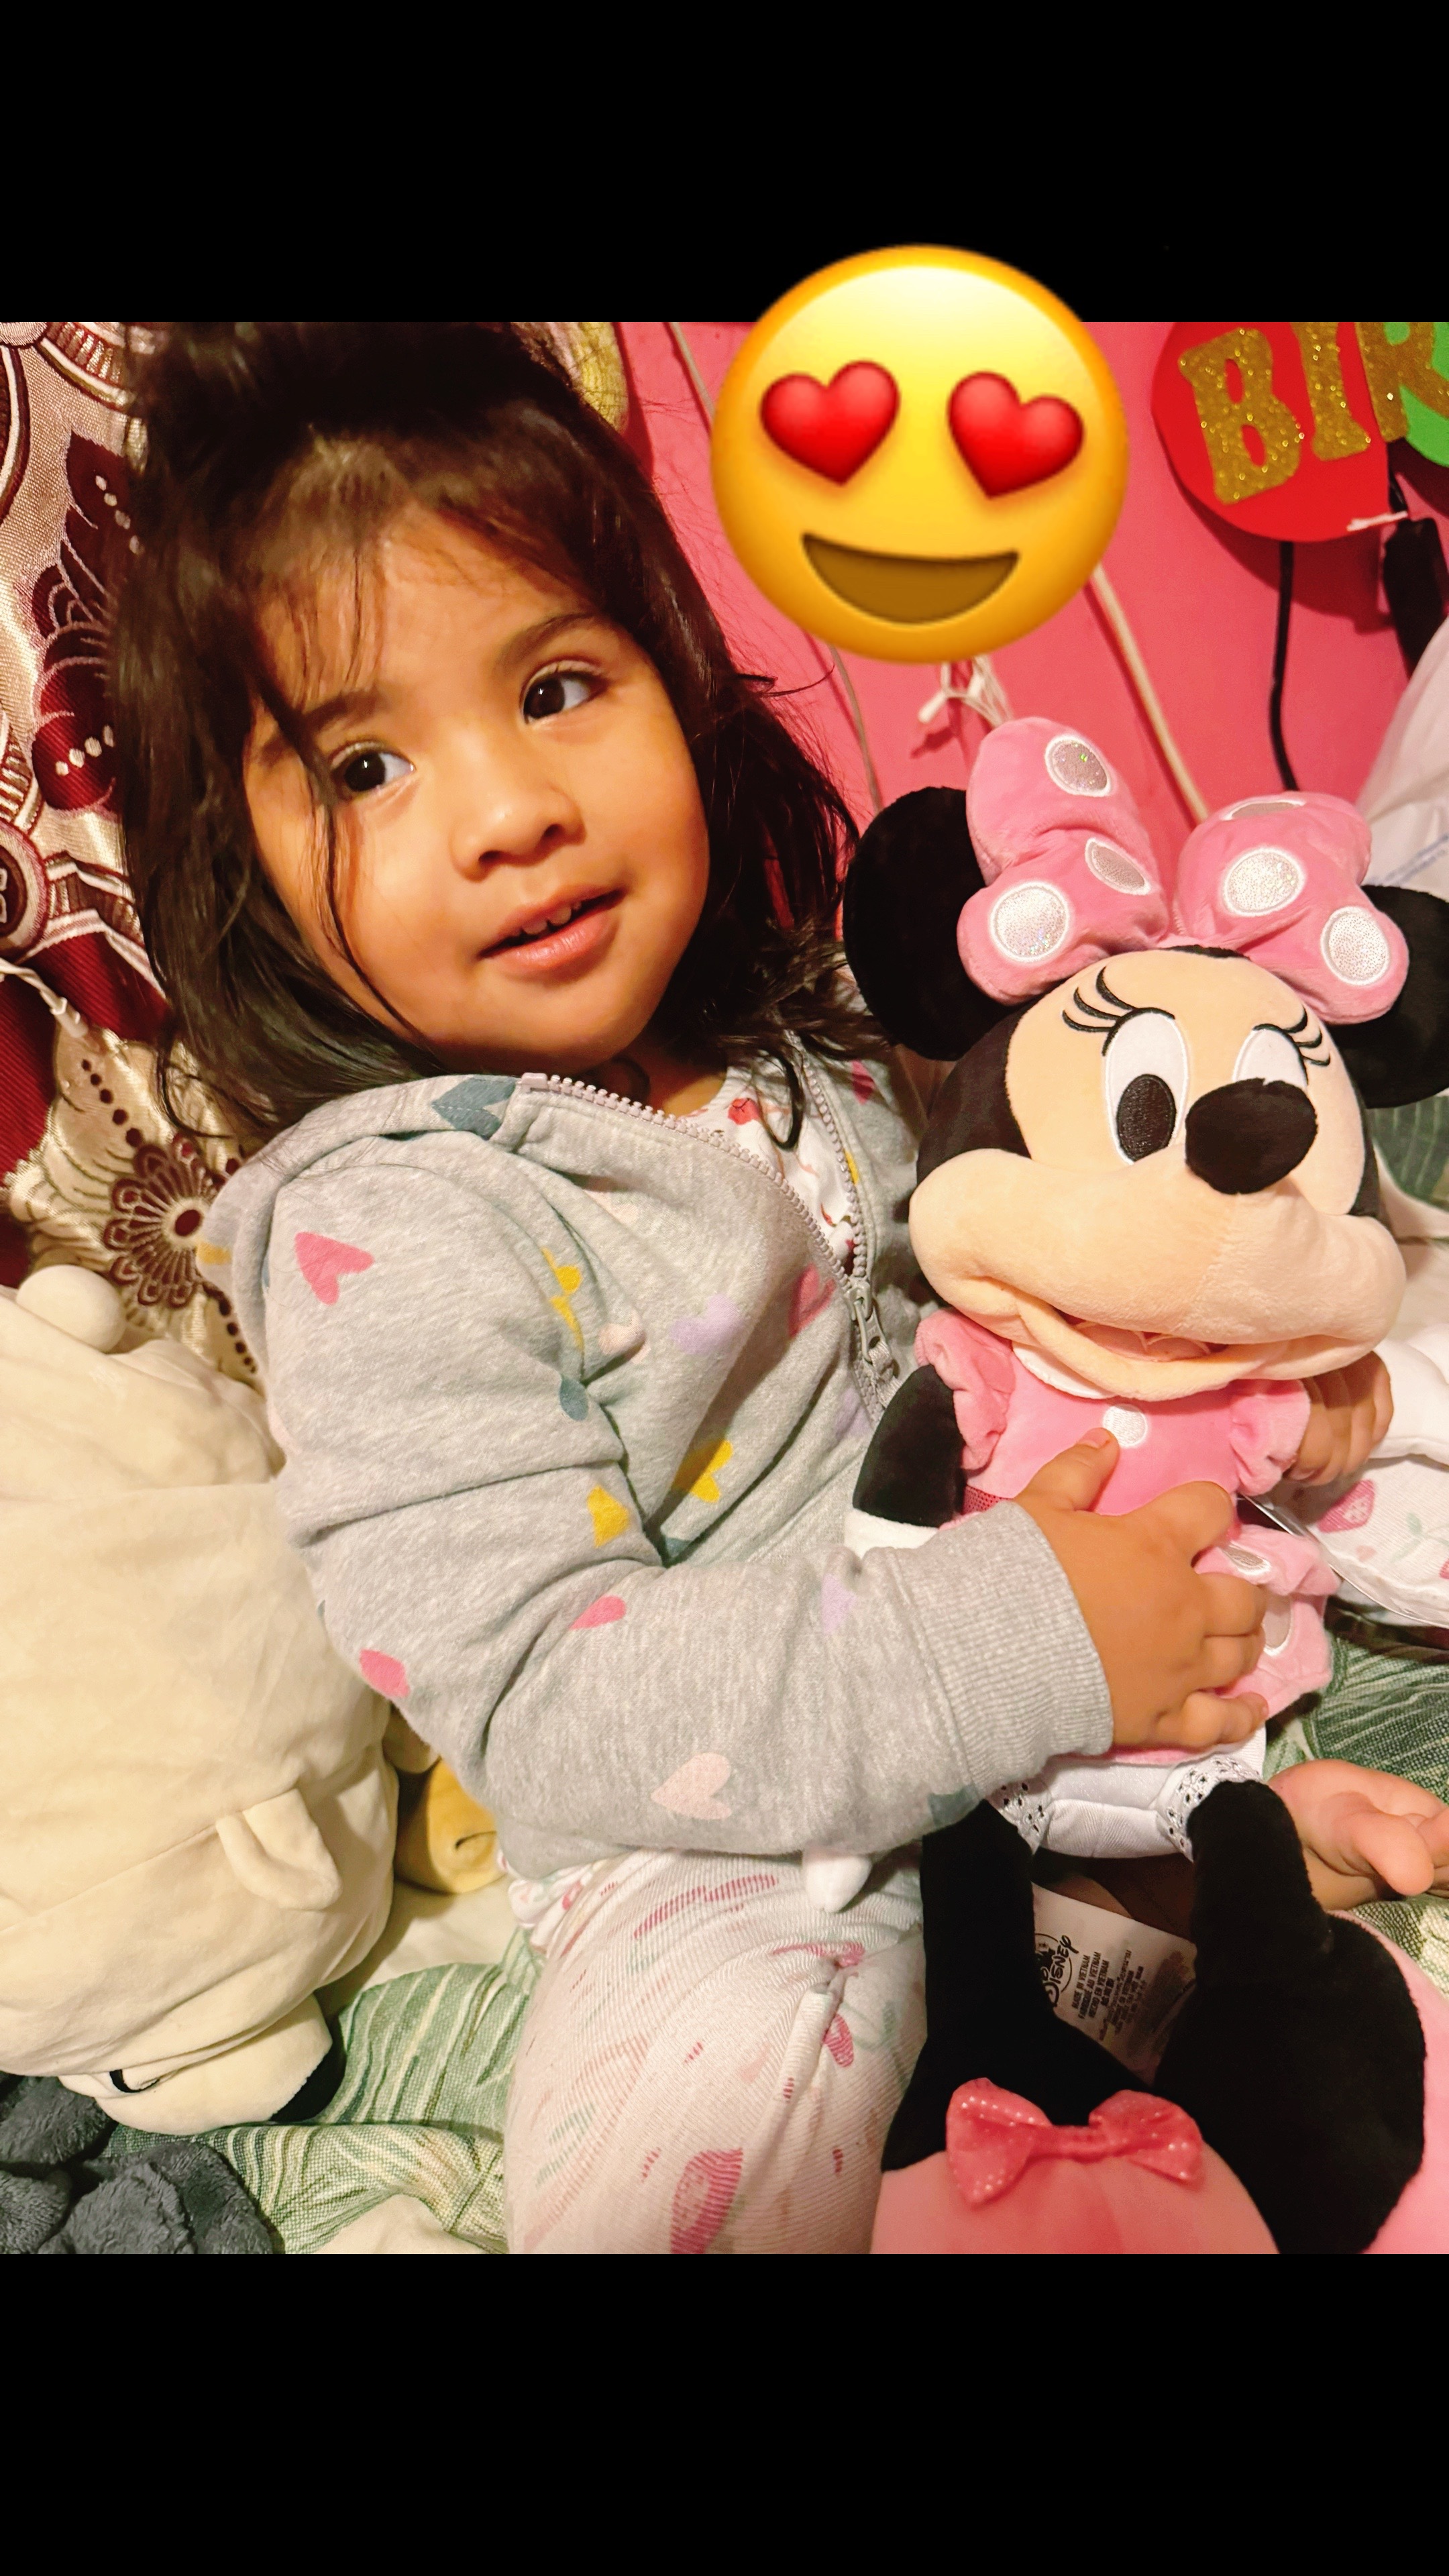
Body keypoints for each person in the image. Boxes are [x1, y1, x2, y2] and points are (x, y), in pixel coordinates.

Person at [112, 322, 1435, 2253]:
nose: (509, 809)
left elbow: (1034, 1302)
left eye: (558, 688)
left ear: (680, 688)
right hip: (716, 1840)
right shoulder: (388, 1232)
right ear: (241, 869)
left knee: (1262, 2044)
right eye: (369, 765)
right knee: (753, 2088)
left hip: (1048, 1747)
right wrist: (1015, 1645)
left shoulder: (803, 1038)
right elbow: (544, 1694)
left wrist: (1269, 1388)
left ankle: (1196, 1877)